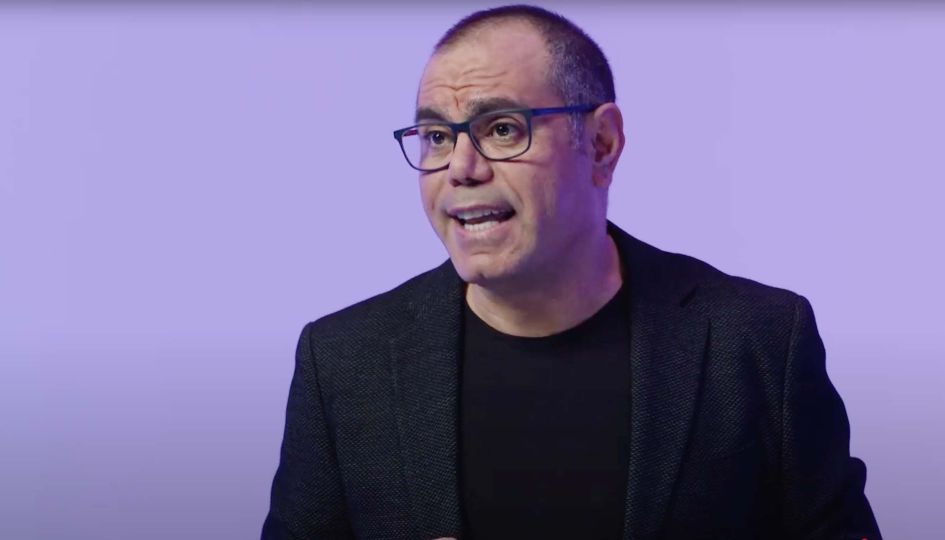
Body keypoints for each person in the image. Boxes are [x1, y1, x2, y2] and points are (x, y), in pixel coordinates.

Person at [262, 5, 881, 539]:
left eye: (502, 129)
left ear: (602, 144)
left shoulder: (759, 341)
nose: (461, 168)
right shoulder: (341, 362)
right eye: (437, 137)